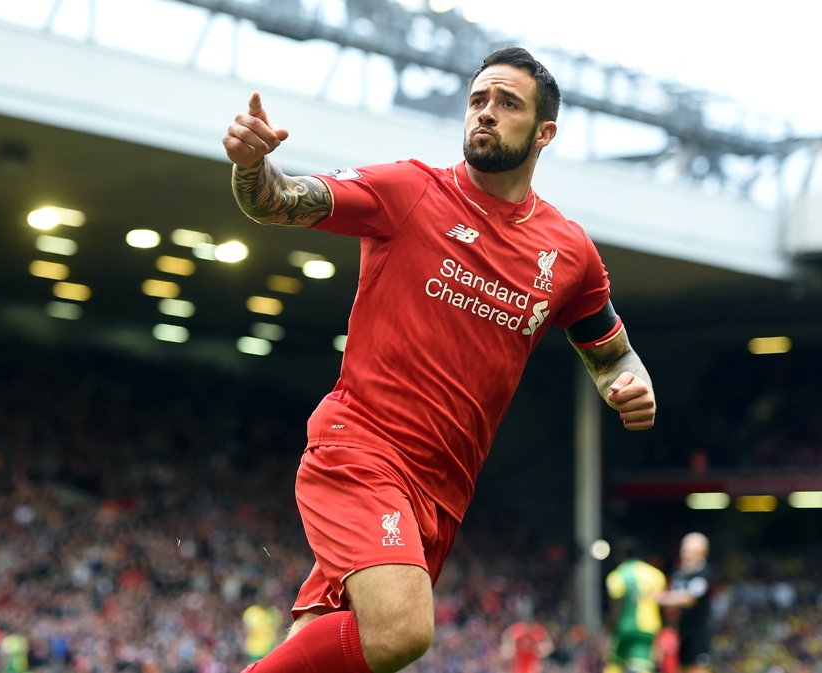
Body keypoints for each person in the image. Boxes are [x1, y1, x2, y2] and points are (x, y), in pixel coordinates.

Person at [223, 46, 657, 673]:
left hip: (444, 490)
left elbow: (613, 353)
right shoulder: (409, 189)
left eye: (507, 103)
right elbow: (278, 198)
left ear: (544, 133)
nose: (486, 112)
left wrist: (631, 383)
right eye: (478, 99)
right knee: (401, 630)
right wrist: (251, 164)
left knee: (332, 643)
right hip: (362, 448)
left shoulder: (569, 252)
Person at [604, 539, 666, 673]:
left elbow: (616, 604)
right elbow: (661, 602)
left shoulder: (618, 575)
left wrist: (611, 625)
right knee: (642, 662)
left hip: (625, 625)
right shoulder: (655, 575)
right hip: (648, 626)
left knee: (615, 661)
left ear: (621, 556)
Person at [657, 533, 712, 673]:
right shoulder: (678, 573)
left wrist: (662, 598)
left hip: (698, 634)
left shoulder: (704, 573)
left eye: (691, 551)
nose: (686, 554)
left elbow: (689, 599)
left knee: (697, 668)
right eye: (684, 550)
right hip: (680, 633)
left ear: (702, 553)